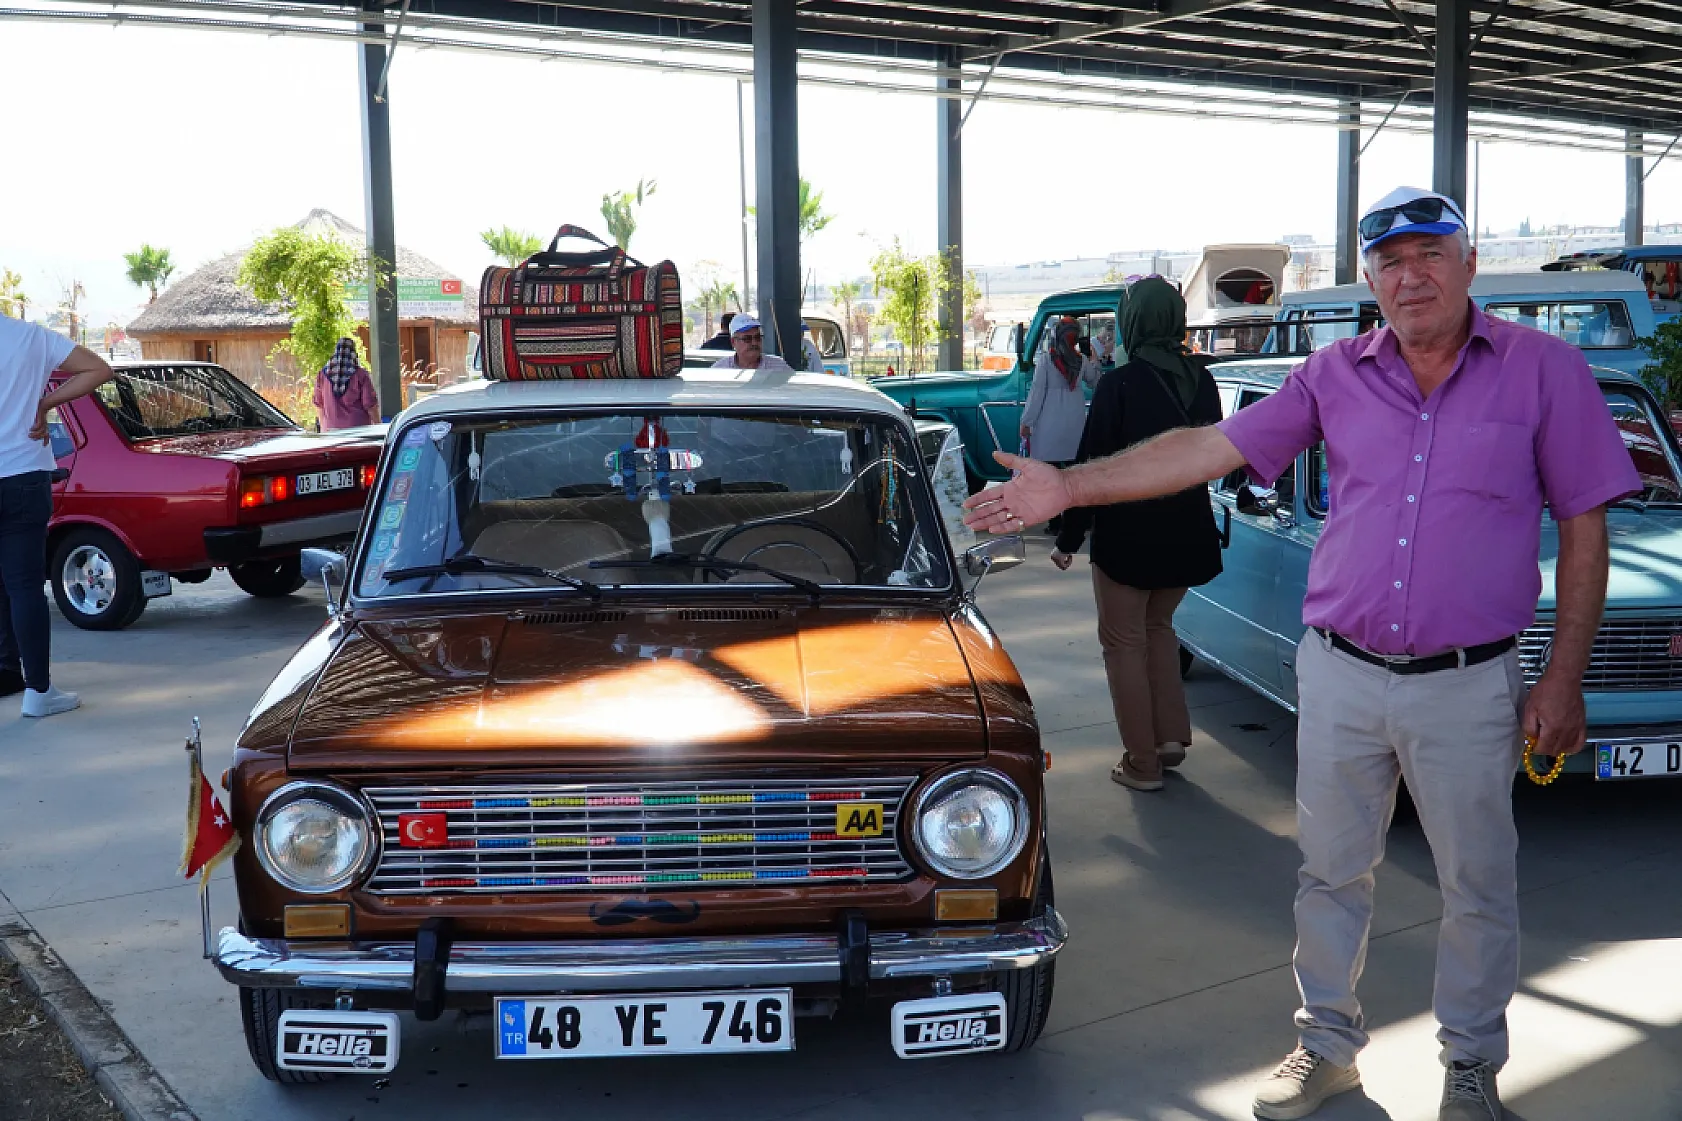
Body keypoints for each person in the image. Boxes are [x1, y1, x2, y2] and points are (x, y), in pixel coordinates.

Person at [964, 186, 1640, 1121]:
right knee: (1330, 869)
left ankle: (1472, 1065)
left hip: (1468, 681)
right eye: (1391, 262)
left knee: (1477, 880)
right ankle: (1326, 1043)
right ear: (1370, 278)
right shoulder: (1335, 375)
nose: (1412, 276)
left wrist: (1564, 675)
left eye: (1431, 254)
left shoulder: (1544, 373)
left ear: (1469, 262)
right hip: (1341, 672)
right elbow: (1208, 447)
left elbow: (1584, 524)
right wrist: (1066, 486)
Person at [1049, 278, 1224, 791]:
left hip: (1129, 539)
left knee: (1123, 642)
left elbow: (1091, 466)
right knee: (1159, 631)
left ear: (1134, 322)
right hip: (1188, 532)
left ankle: (1141, 763)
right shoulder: (1203, 378)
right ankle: (1170, 740)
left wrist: (1067, 539)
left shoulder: (1120, 383)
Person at [0, 315, 116, 717]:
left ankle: (5, 672)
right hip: (22, 474)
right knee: (24, 586)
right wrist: (44, 403)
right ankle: (38, 692)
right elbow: (99, 369)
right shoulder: (30, 337)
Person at [1019, 317, 1100, 532]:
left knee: (1049, 479)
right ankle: (1076, 523)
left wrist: (1027, 422)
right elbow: (1095, 381)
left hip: (1048, 428)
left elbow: (1037, 393)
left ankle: (1055, 523)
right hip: (1074, 426)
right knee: (1074, 477)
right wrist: (1094, 358)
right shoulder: (1081, 360)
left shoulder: (1047, 360)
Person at [313, 338, 379, 430]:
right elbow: (370, 404)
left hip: (331, 431)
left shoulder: (322, 375)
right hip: (358, 432)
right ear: (353, 352)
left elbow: (319, 404)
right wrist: (379, 426)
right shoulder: (361, 375)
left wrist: (323, 429)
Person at [709, 315, 794, 373]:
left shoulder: (779, 368)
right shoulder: (720, 370)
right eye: (747, 339)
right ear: (733, 342)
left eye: (757, 337)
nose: (754, 343)